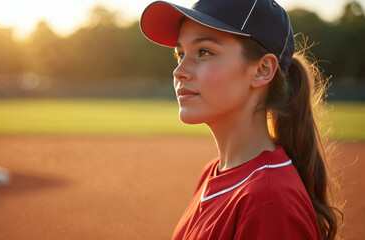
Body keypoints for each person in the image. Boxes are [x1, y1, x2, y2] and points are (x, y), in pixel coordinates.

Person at [140, 0, 343, 239]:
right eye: (180, 54)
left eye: (204, 52)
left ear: (262, 70)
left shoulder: (269, 203)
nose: (179, 70)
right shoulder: (213, 172)